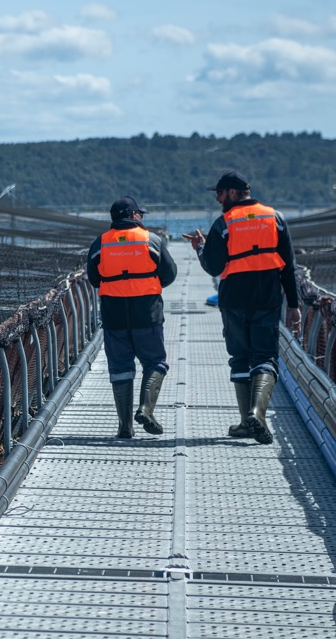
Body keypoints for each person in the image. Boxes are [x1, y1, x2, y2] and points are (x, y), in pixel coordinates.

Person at [184, 171, 302, 444]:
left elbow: (212, 266)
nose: (217, 198)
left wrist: (200, 247)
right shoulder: (276, 218)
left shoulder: (224, 223)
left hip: (234, 301)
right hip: (268, 299)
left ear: (235, 193)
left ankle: (246, 421)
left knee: (239, 358)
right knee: (265, 357)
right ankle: (257, 414)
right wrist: (293, 305)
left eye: (220, 192)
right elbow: (289, 268)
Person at [86, 196, 177, 439]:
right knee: (155, 362)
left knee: (120, 368)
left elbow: (94, 278)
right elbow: (170, 274)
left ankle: (125, 425)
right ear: (134, 215)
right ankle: (146, 409)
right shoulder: (152, 241)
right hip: (147, 313)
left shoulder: (100, 244)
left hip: (114, 316)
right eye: (140, 214)